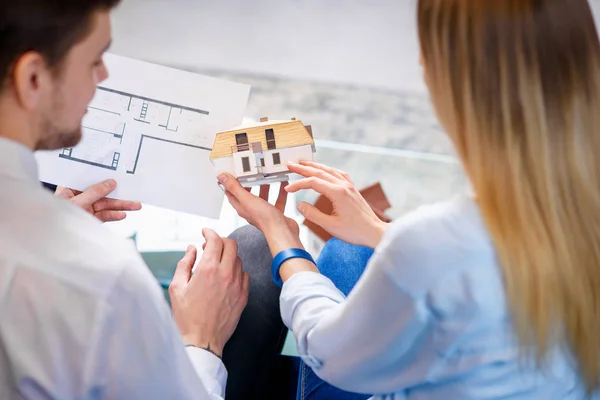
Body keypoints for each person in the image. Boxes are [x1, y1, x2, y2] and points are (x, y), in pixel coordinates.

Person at [220, 0, 600, 399]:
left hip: (360, 367)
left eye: (427, 50)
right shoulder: (573, 216)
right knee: (347, 251)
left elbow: (326, 351)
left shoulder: (437, 241)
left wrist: (284, 241)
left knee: (273, 249)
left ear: (450, 79)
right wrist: (379, 231)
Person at [0, 1, 287, 399]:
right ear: (32, 78)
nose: (103, 77)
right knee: (253, 250)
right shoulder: (103, 274)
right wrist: (201, 340)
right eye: (95, 61)